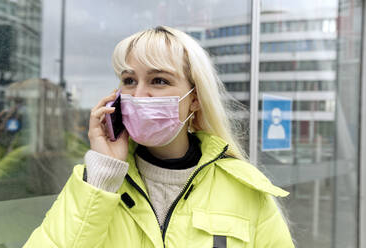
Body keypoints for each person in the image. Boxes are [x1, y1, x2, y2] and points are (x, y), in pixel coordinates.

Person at [24, 26, 294, 248]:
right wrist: (103, 177)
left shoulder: (245, 190)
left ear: (195, 99)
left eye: (159, 81)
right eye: (129, 81)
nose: (139, 95)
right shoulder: (94, 182)